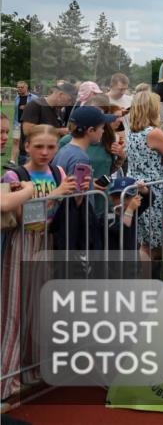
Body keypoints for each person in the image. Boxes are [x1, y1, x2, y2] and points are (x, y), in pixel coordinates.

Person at [2, 125, 78, 400]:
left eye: (51, 147)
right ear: (27, 147)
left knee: (39, 308)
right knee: (14, 309)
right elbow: (25, 217)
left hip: (48, 242)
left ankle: (32, 370)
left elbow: (67, 208)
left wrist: (79, 191)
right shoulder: (15, 176)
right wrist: (57, 193)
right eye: (39, 147)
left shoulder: (58, 172)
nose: (45, 152)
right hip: (23, 243)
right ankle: (6, 377)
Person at [51, 105, 117, 251]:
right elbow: (77, 196)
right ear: (90, 130)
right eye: (101, 128)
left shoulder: (65, 150)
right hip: (77, 222)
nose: (103, 131)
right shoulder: (81, 158)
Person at [125, 91, 163, 260]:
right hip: (152, 193)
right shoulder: (154, 133)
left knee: (140, 240)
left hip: (135, 188)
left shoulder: (132, 133)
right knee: (147, 245)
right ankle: (145, 276)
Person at [57, 94, 125, 218]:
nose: (103, 130)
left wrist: (121, 157)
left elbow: (108, 169)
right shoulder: (74, 149)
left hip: (100, 203)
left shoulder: (107, 139)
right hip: (81, 212)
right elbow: (61, 177)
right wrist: (88, 183)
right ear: (90, 129)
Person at [18, 81, 76, 166]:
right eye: (69, 100)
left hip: (47, 156)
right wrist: (60, 131)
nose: (69, 104)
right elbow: (27, 130)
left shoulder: (58, 110)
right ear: (61, 94)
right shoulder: (35, 105)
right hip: (31, 156)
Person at [12, 80, 38, 164]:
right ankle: (12, 161)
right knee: (16, 141)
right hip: (17, 123)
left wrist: (27, 107)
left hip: (28, 123)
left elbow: (38, 109)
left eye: (21, 87)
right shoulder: (17, 97)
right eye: (18, 87)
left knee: (29, 141)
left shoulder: (34, 98)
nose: (19, 89)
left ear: (26, 87)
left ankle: (30, 160)